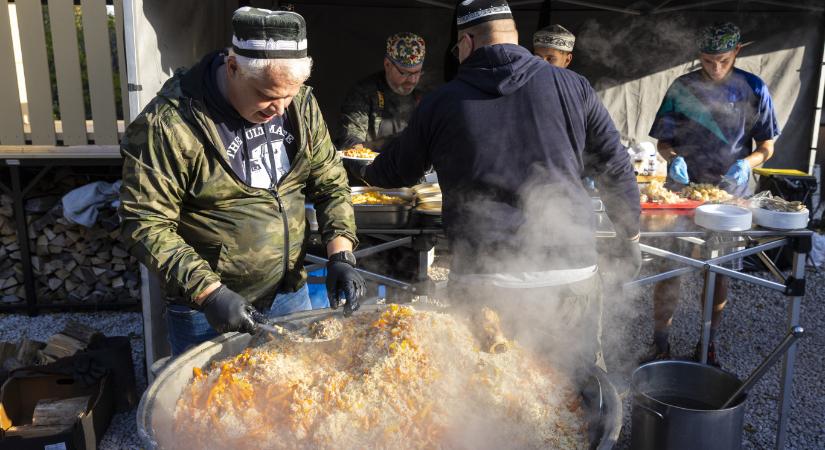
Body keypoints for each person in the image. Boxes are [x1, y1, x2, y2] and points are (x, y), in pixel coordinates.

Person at [358, 0, 641, 373]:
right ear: (515, 37)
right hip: (568, 270)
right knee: (576, 386)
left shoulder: (441, 102)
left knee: (487, 387)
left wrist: (365, 170)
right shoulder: (573, 86)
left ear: (467, 43)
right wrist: (630, 235)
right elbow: (616, 166)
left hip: (484, 279)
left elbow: (397, 171)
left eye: (457, 48)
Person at [119, 7, 365, 356]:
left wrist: (341, 254)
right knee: (214, 391)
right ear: (233, 67)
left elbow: (330, 181)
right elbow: (144, 222)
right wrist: (209, 293)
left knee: (298, 385)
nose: (280, 109)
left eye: (290, 95)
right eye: (268, 95)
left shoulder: (301, 105)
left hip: (289, 293)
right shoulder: (170, 125)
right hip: (211, 310)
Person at [644, 22, 779, 366]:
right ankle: (660, 342)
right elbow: (663, 141)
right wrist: (673, 158)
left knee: (718, 271)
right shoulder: (682, 87)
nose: (715, 68)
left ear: (737, 52)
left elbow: (767, 145)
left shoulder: (753, 88)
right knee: (670, 266)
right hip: (682, 193)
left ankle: (708, 343)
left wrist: (747, 163)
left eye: (723, 60)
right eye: (707, 61)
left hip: (729, 197)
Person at [336, 32, 426, 151]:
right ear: (387, 64)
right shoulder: (365, 93)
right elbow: (350, 143)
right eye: (405, 73)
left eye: (417, 72)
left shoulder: (427, 95)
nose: (412, 80)